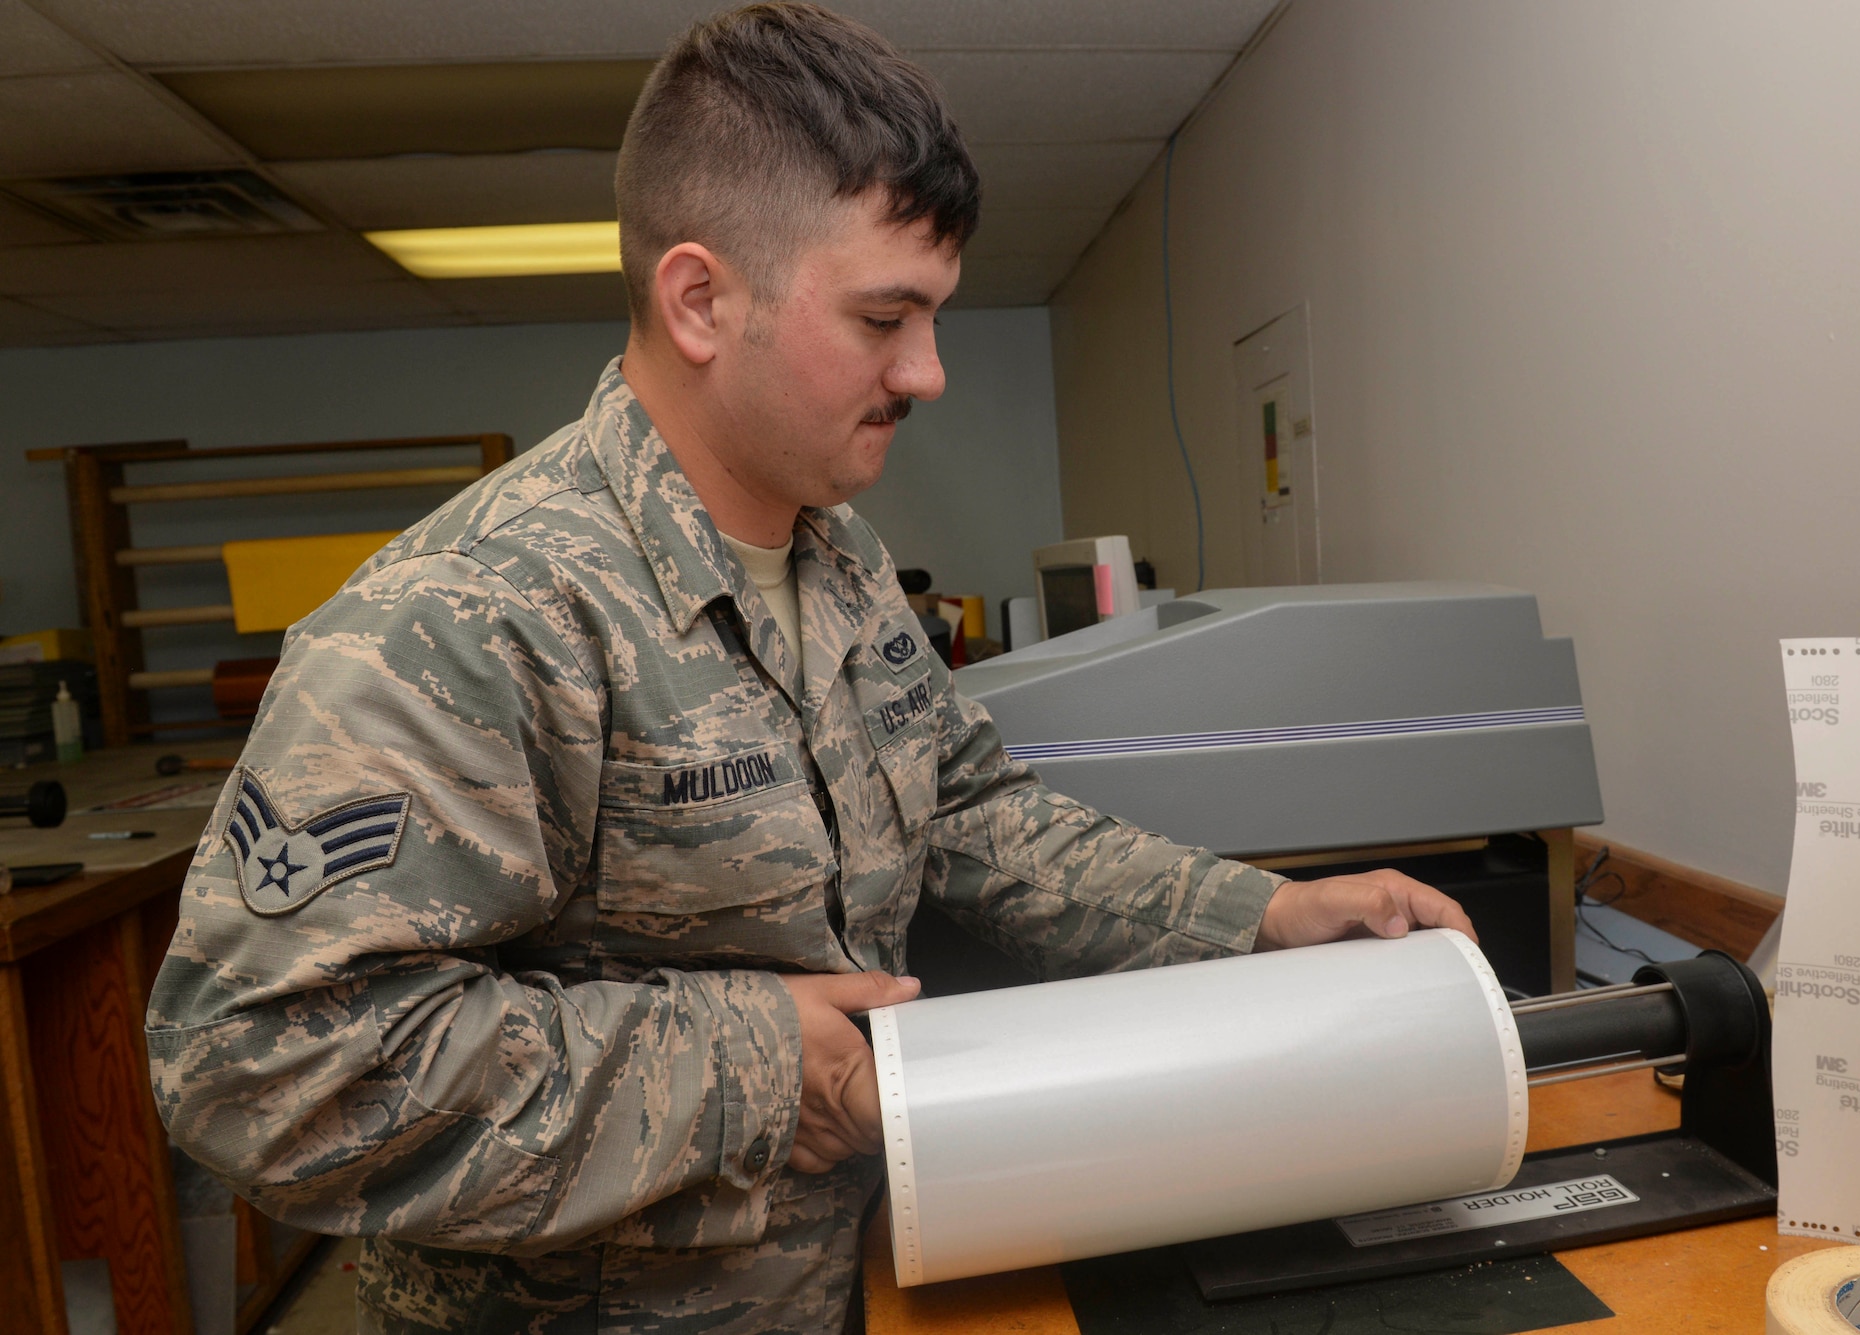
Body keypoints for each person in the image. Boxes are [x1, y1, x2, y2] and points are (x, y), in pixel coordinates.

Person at [146, 5, 1475, 1332]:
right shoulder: (476, 614)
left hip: (862, 1286)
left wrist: (1259, 922)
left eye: (933, 318)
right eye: (886, 318)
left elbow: (971, 813)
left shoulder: (836, 557)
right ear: (702, 300)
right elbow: (259, 1068)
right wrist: (751, 1068)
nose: (931, 372)